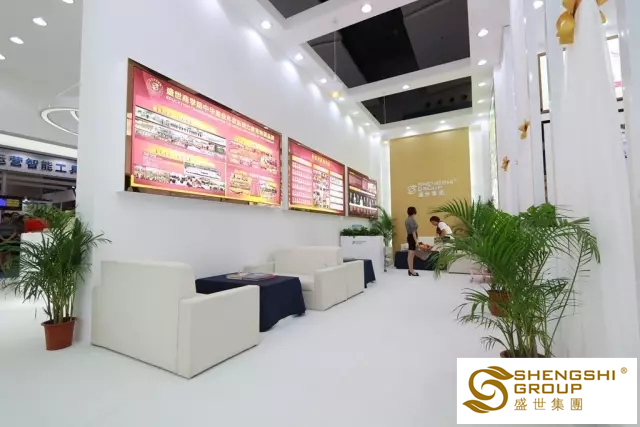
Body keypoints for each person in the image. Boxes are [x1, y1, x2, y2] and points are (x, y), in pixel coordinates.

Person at [405, 206, 419, 277]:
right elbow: (413, 231)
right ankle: (411, 270)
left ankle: (411, 269)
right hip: (412, 237)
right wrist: (416, 241)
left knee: (411, 254)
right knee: (411, 254)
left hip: (410, 237)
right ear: (413, 212)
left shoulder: (408, 219)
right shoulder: (411, 220)